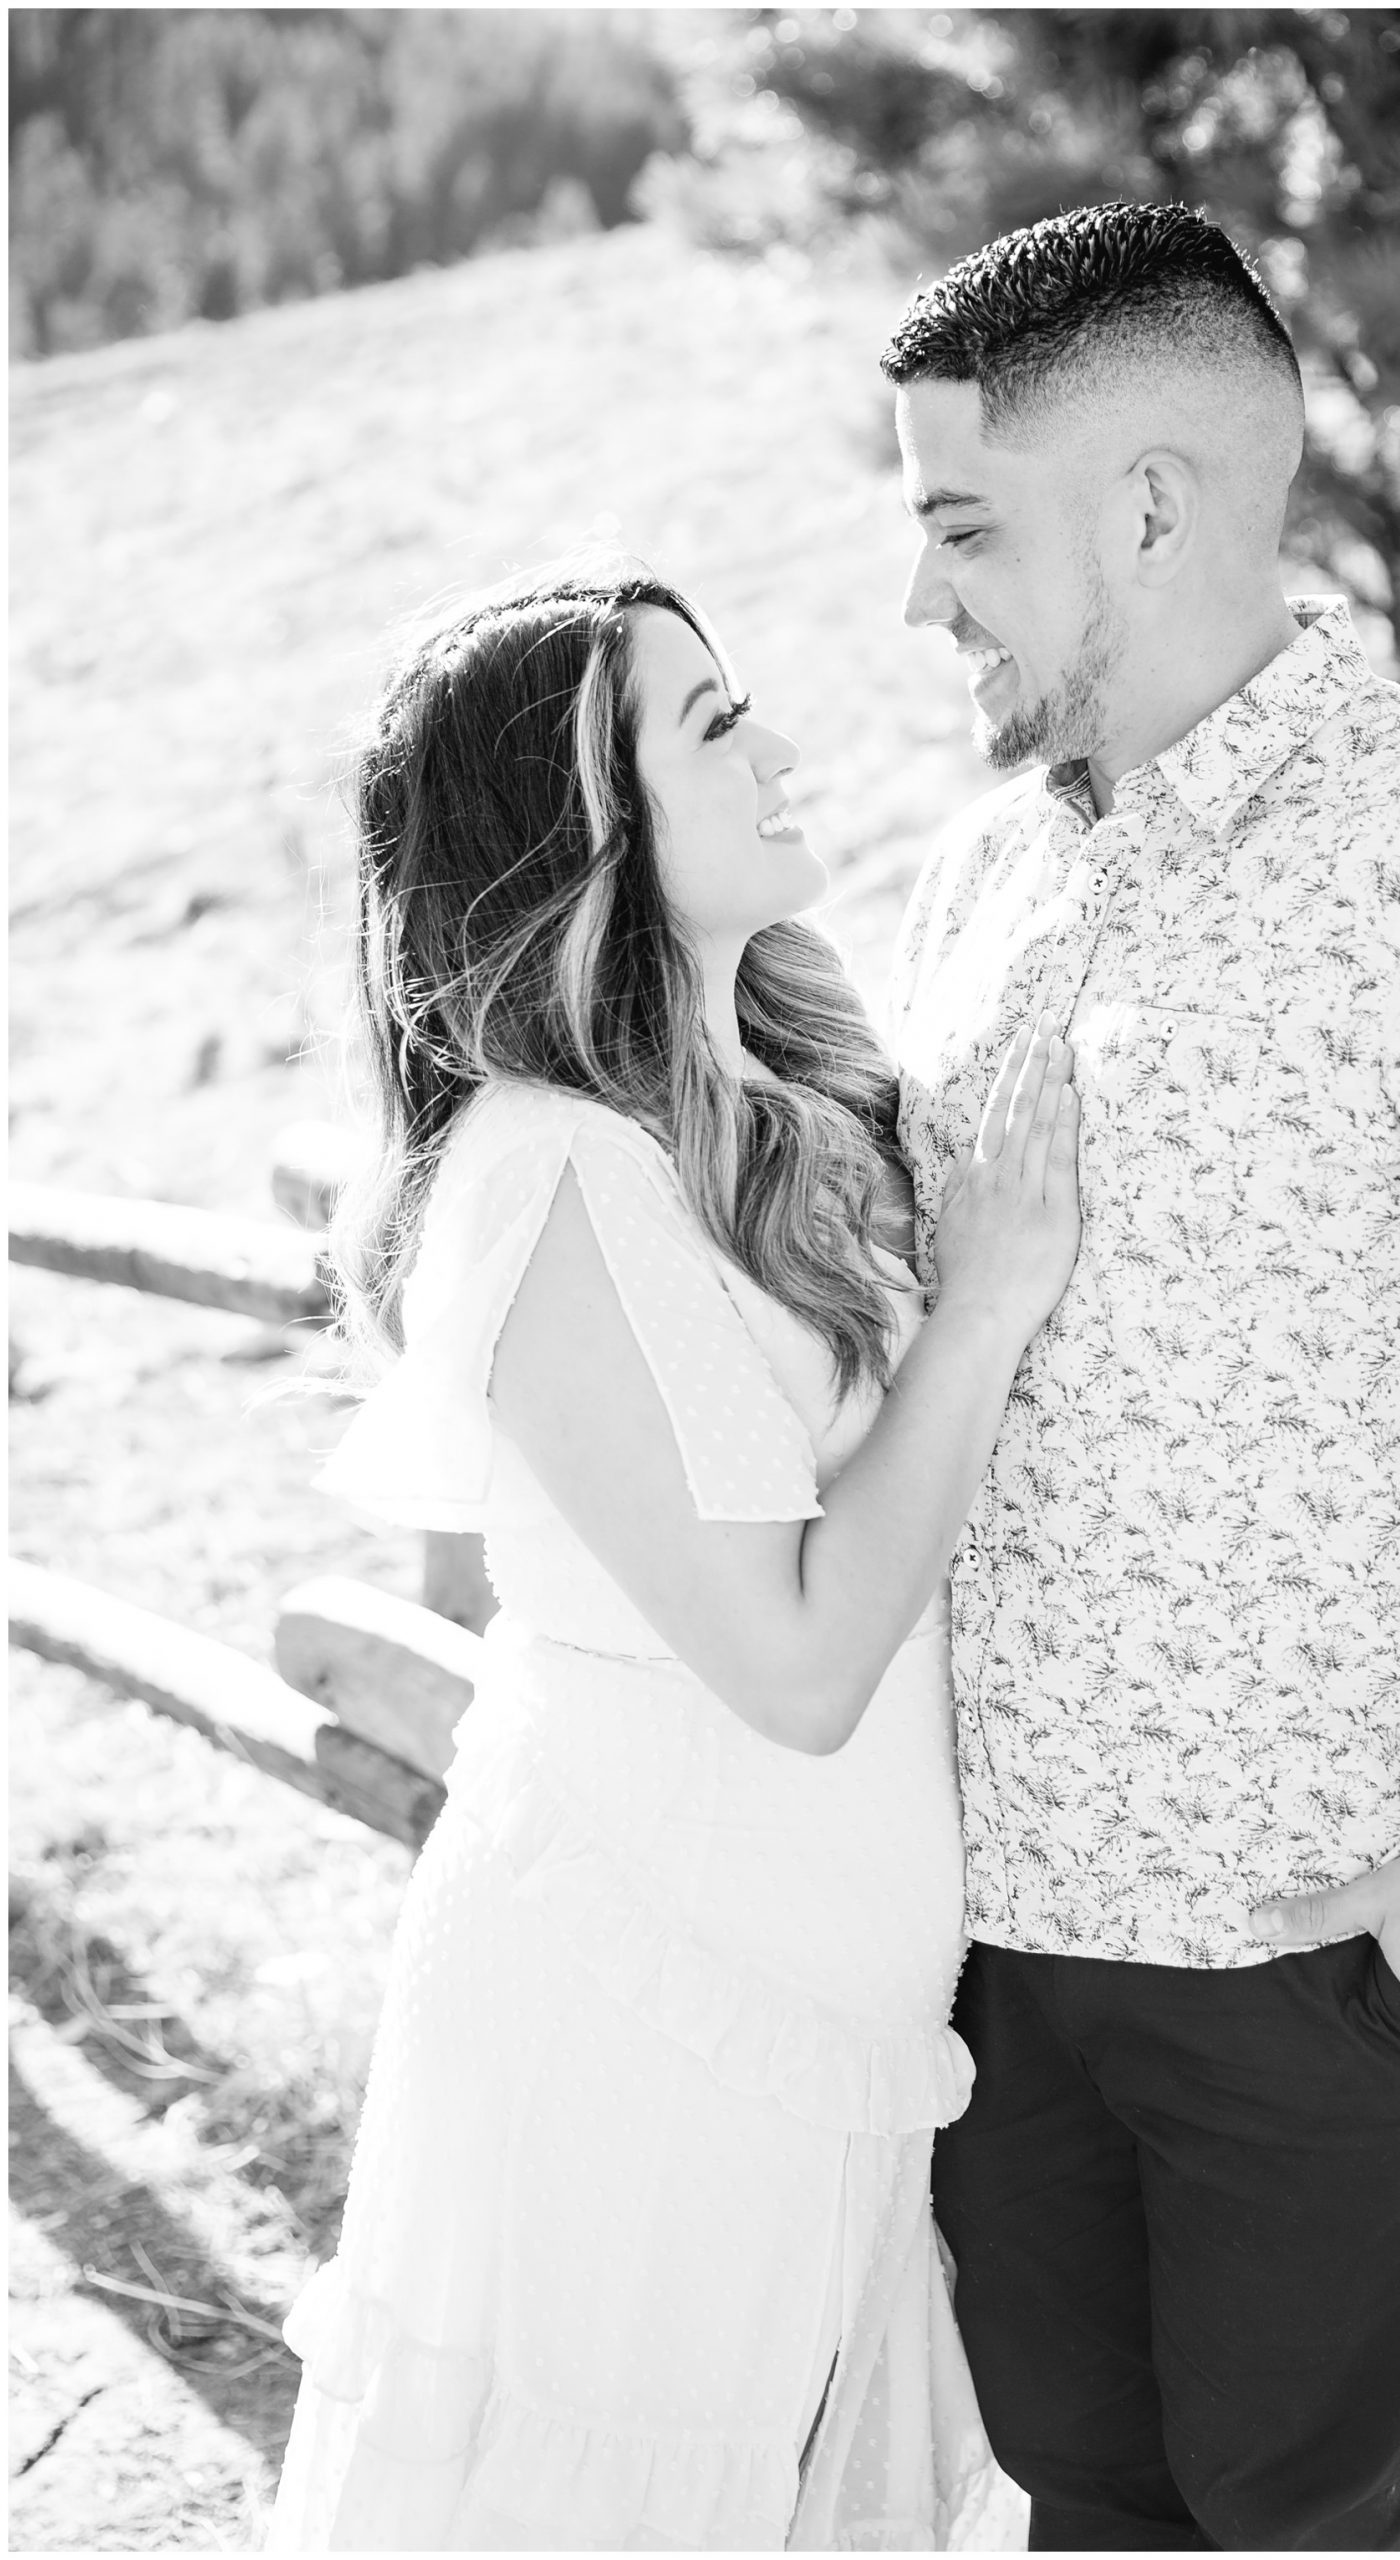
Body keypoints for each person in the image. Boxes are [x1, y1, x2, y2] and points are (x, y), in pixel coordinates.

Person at [885, 200, 1400, 2552]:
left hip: (1310, 1956)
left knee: (1293, 2526)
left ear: (1144, 506)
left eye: (961, 527)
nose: (918, 599)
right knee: (1080, 2511)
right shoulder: (973, 884)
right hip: (988, 1941)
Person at [265, 571, 1078, 2551]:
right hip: (645, 2029)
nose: (780, 745)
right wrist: (979, 1309)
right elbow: (796, 1668)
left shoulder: (771, 1103)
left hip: (820, 2035)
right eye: (710, 724)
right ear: (580, 829)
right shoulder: (550, 1173)